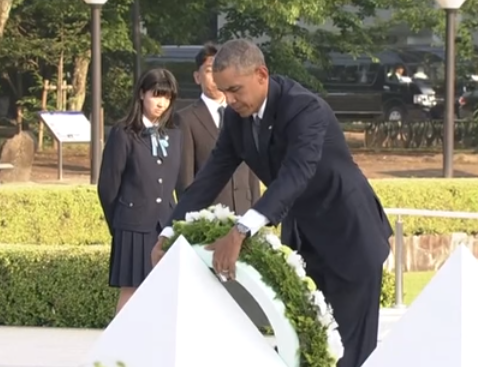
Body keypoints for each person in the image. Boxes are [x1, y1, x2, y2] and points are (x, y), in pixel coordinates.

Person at [152, 39, 392, 367]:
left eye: (235, 89)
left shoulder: (305, 109)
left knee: (345, 355)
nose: (230, 100)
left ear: (261, 75)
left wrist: (240, 230)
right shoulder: (237, 117)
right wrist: (169, 232)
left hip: (350, 236)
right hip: (305, 241)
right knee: (301, 346)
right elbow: (209, 178)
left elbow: (296, 174)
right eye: (224, 92)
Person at [97, 68, 181, 315]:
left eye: (167, 97)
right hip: (132, 226)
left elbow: (179, 181)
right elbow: (108, 186)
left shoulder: (175, 134)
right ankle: (119, 351)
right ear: (142, 94)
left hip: (165, 225)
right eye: (156, 95)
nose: (161, 103)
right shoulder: (123, 133)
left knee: (165, 291)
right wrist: (120, 223)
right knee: (132, 291)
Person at [175, 43, 260, 214]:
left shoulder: (243, 113)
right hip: (210, 216)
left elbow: (252, 170)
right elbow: (185, 179)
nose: (215, 77)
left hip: (244, 213)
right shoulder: (186, 119)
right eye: (208, 71)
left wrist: (257, 211)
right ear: (197, 77)